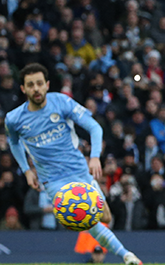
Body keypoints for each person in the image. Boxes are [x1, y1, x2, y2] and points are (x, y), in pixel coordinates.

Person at [5, 63, 142, 265]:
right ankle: (127, 256)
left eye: (39, 84)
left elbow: (94, 127)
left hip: (78, 170)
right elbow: (14, 143)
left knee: (104, 217)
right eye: (31, 85)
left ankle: (121, 250)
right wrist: (26, 170)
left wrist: (95, 156)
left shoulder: (61, 102)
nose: (36, 89)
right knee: (85, 220)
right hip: (52, 180)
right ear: (23, 88)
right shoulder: (14, 118)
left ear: (47, 85)